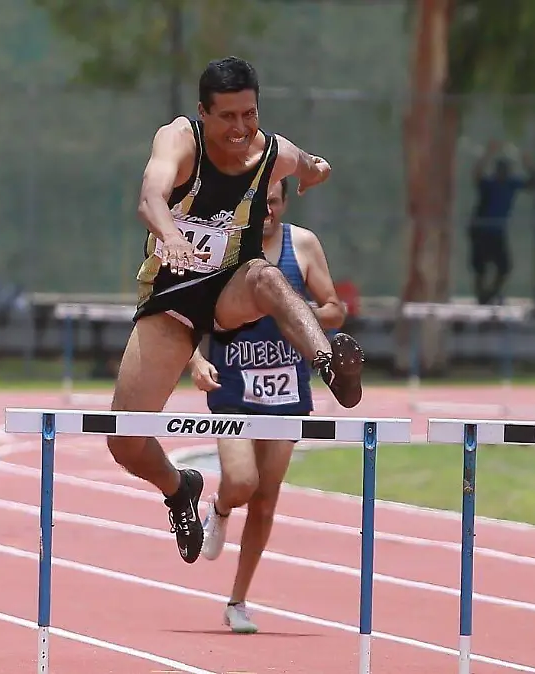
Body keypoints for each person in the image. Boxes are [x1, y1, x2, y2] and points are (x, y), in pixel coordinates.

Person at [107, 56, 365, 566]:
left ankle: (328, 361)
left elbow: (309, 163)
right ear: (203, 112)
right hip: (173, 296)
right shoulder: (180, 140)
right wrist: (173, 234)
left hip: (230, 287)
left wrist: (317, 170)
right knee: (125, 441)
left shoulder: (270, 151)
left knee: (267, 277)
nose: (241, 128)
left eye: (249, 114)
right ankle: (179, 489)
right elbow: (149, 199)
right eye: (228, 116)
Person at [186, 176, 345, 633]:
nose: (267, 213)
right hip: (233, 385)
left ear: (284, 202)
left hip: (286, 388)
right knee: (241, 482)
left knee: (266, 501)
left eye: (273, 204)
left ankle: (238, 600)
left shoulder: (304, 245)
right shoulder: (224, 246)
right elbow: (189, 312)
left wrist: (291, 311)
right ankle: (217, 508)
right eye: (259, 205)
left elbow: (334, 309)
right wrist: (195, 360)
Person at [467, 139, 535, 305]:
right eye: (500, 170)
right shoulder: (489, 184)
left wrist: (528, 163)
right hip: (481, 230)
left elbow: (534, 183)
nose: (503, 173)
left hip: (497, 231)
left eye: (505, 170)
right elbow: (476, 175)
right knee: (481, 267)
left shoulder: (511, 184)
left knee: (504, 267)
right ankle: (482, 297)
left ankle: (491, 293)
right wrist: (487, 155)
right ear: (496, 171)